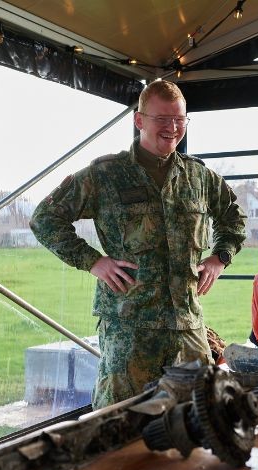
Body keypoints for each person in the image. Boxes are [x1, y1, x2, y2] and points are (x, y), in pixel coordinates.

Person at [30, 80, 246, 409]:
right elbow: (45, 218)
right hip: (129, 329)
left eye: (180, 120)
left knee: (202, 416)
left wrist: (220, 258)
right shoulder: (106, 175)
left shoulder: (199, 178)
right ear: (140, 120)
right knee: (117, 421)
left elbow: (234, 217)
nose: (173, 129)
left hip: (186, 325)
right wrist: (93, 261)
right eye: (163, 119)